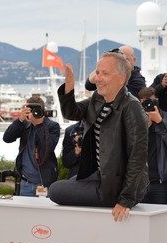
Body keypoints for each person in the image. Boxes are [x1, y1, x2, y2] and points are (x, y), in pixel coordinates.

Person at [48, 51, 149, 222]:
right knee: (62, 187)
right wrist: (69, 88)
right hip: (100, 176)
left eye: (105, 73)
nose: (98, 79)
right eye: (98, 72)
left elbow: (137, 157)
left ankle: (110, 197)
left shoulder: (132, 107)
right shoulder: (98, 99)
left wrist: (125, 199)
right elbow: (71, 112)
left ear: (122, 79)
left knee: (55, 190)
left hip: (121, 186)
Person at [3, 96, 60, 196]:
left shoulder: (52, 126)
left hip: (44, 182)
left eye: (37, 111)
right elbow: (7, 138)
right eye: (31, 111)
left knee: (44, 211)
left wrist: (39, 125)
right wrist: (20, 119)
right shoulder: (24, 125)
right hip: (26, 182)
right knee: (25, 212)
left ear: (43, 111)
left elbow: (48, 148)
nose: (35, 113)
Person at [138, 87, 167, 204]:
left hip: (161, 182)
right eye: (144, 103)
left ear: (156, 102)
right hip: (139, 182)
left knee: (162, 220)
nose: (148, 106)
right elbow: (131, 147)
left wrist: (160, 122)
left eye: (151, 102)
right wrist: (144, 127)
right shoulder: (135, 119)